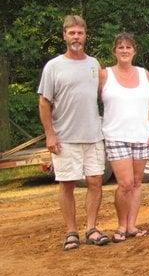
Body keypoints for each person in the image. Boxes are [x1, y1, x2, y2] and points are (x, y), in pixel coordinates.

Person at [38, 15, 110, 250]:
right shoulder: (53, 66)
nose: (76, 37)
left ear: (85, 35)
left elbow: (104, 95)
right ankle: (71, 232)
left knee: (95, 181)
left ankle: (91, 228)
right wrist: (50, 134)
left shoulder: (93, 64)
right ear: (64, 36)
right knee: (67, 184)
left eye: (80, 32)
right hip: (65, 137)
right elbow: (44, 102)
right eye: (72, 33)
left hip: (93, 135)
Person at [100, 32, 149, 243]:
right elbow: (87, 99)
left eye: (128, 47)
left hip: (142, 135)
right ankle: (121, 225)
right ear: (114, 51)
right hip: (115, 135)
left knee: (136, 182)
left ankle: (132, 225)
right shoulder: (104, 75)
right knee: (124, 184)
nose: (124, 51)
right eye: (120, 47)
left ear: (134, 50)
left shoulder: (145, 74)